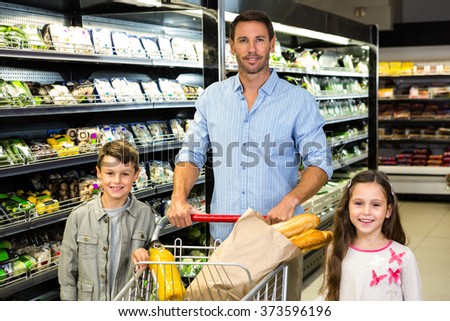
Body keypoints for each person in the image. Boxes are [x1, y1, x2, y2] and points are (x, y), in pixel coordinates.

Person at [167, 9, 333, 242]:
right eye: (243, 40)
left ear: (272, 44)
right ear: (232, 46)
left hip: (280, 235)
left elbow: (320, 162)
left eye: (260, 40)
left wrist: (291, 200)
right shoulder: (212, 97)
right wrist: (178, 197)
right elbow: (191, 154)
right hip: (226, 236)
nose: (252, 49)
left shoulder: (299, 101)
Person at [58, 140, 155, 300]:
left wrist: (148, 257)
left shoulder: (146, 215)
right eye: (110, 173)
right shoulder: (79, 217)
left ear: (136, 175)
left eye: (125, 174)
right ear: (99, 173)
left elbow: (156, 265)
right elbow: (67, 274)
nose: (117, 181)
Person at [319, 170, 423, 301]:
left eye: (376, 205)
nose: (366, 211)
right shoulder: (337, 249)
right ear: (347, 207)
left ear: (388, 211)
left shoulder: (404, 257)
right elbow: (329, 295)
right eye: (358, 203)